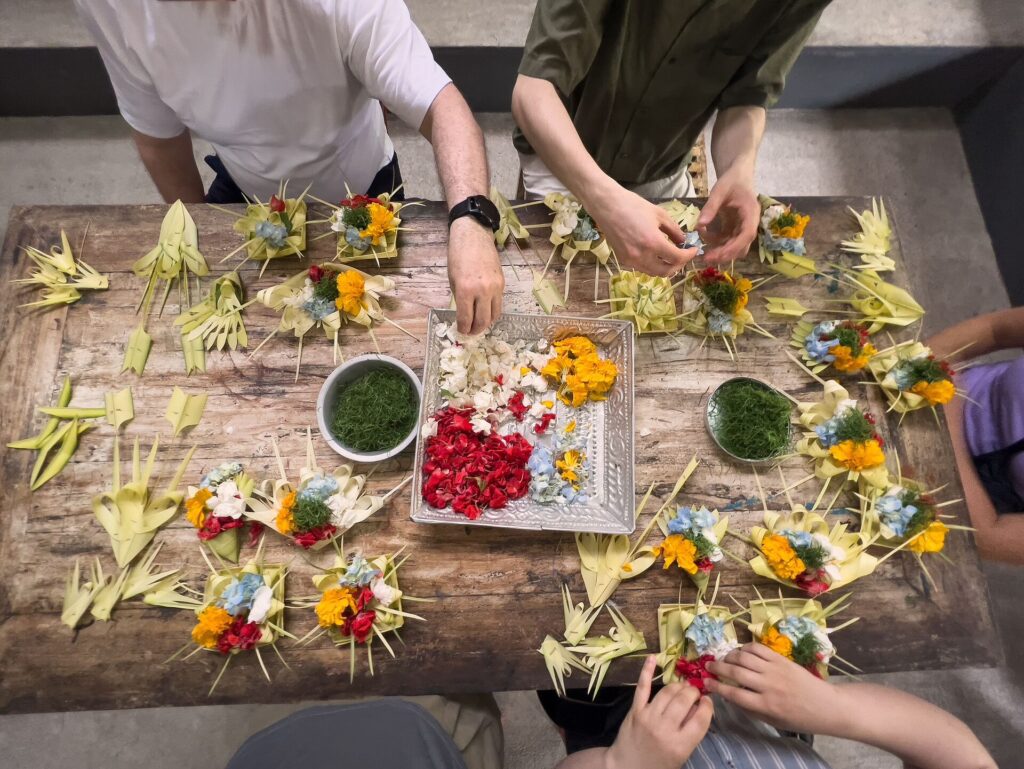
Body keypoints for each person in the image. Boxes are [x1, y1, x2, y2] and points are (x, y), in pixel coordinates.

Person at [73, 0, 504, 335]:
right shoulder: (114, 8)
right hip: (244, 187)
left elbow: (442, 106)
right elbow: (156, 135)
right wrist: (193, 226)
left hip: (362, 184)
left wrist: (472, 220)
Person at [512, 0, 833, 277]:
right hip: (561, 153)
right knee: (557, 292)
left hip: (661, 166)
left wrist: (739, 170)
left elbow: (748, 95)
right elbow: (534, 90)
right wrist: (604, 201)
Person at [554, 652, 995, 769]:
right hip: (770, 716)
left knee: (575, 702)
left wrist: (625, 764)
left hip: (623, 731)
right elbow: (964, 757)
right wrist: (832, 707)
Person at [928, 306, 1024, 563]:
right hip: (921, 389)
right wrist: (929, 360)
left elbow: (988, 536)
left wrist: (940, 414)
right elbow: (994, 330)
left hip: (935, 505)